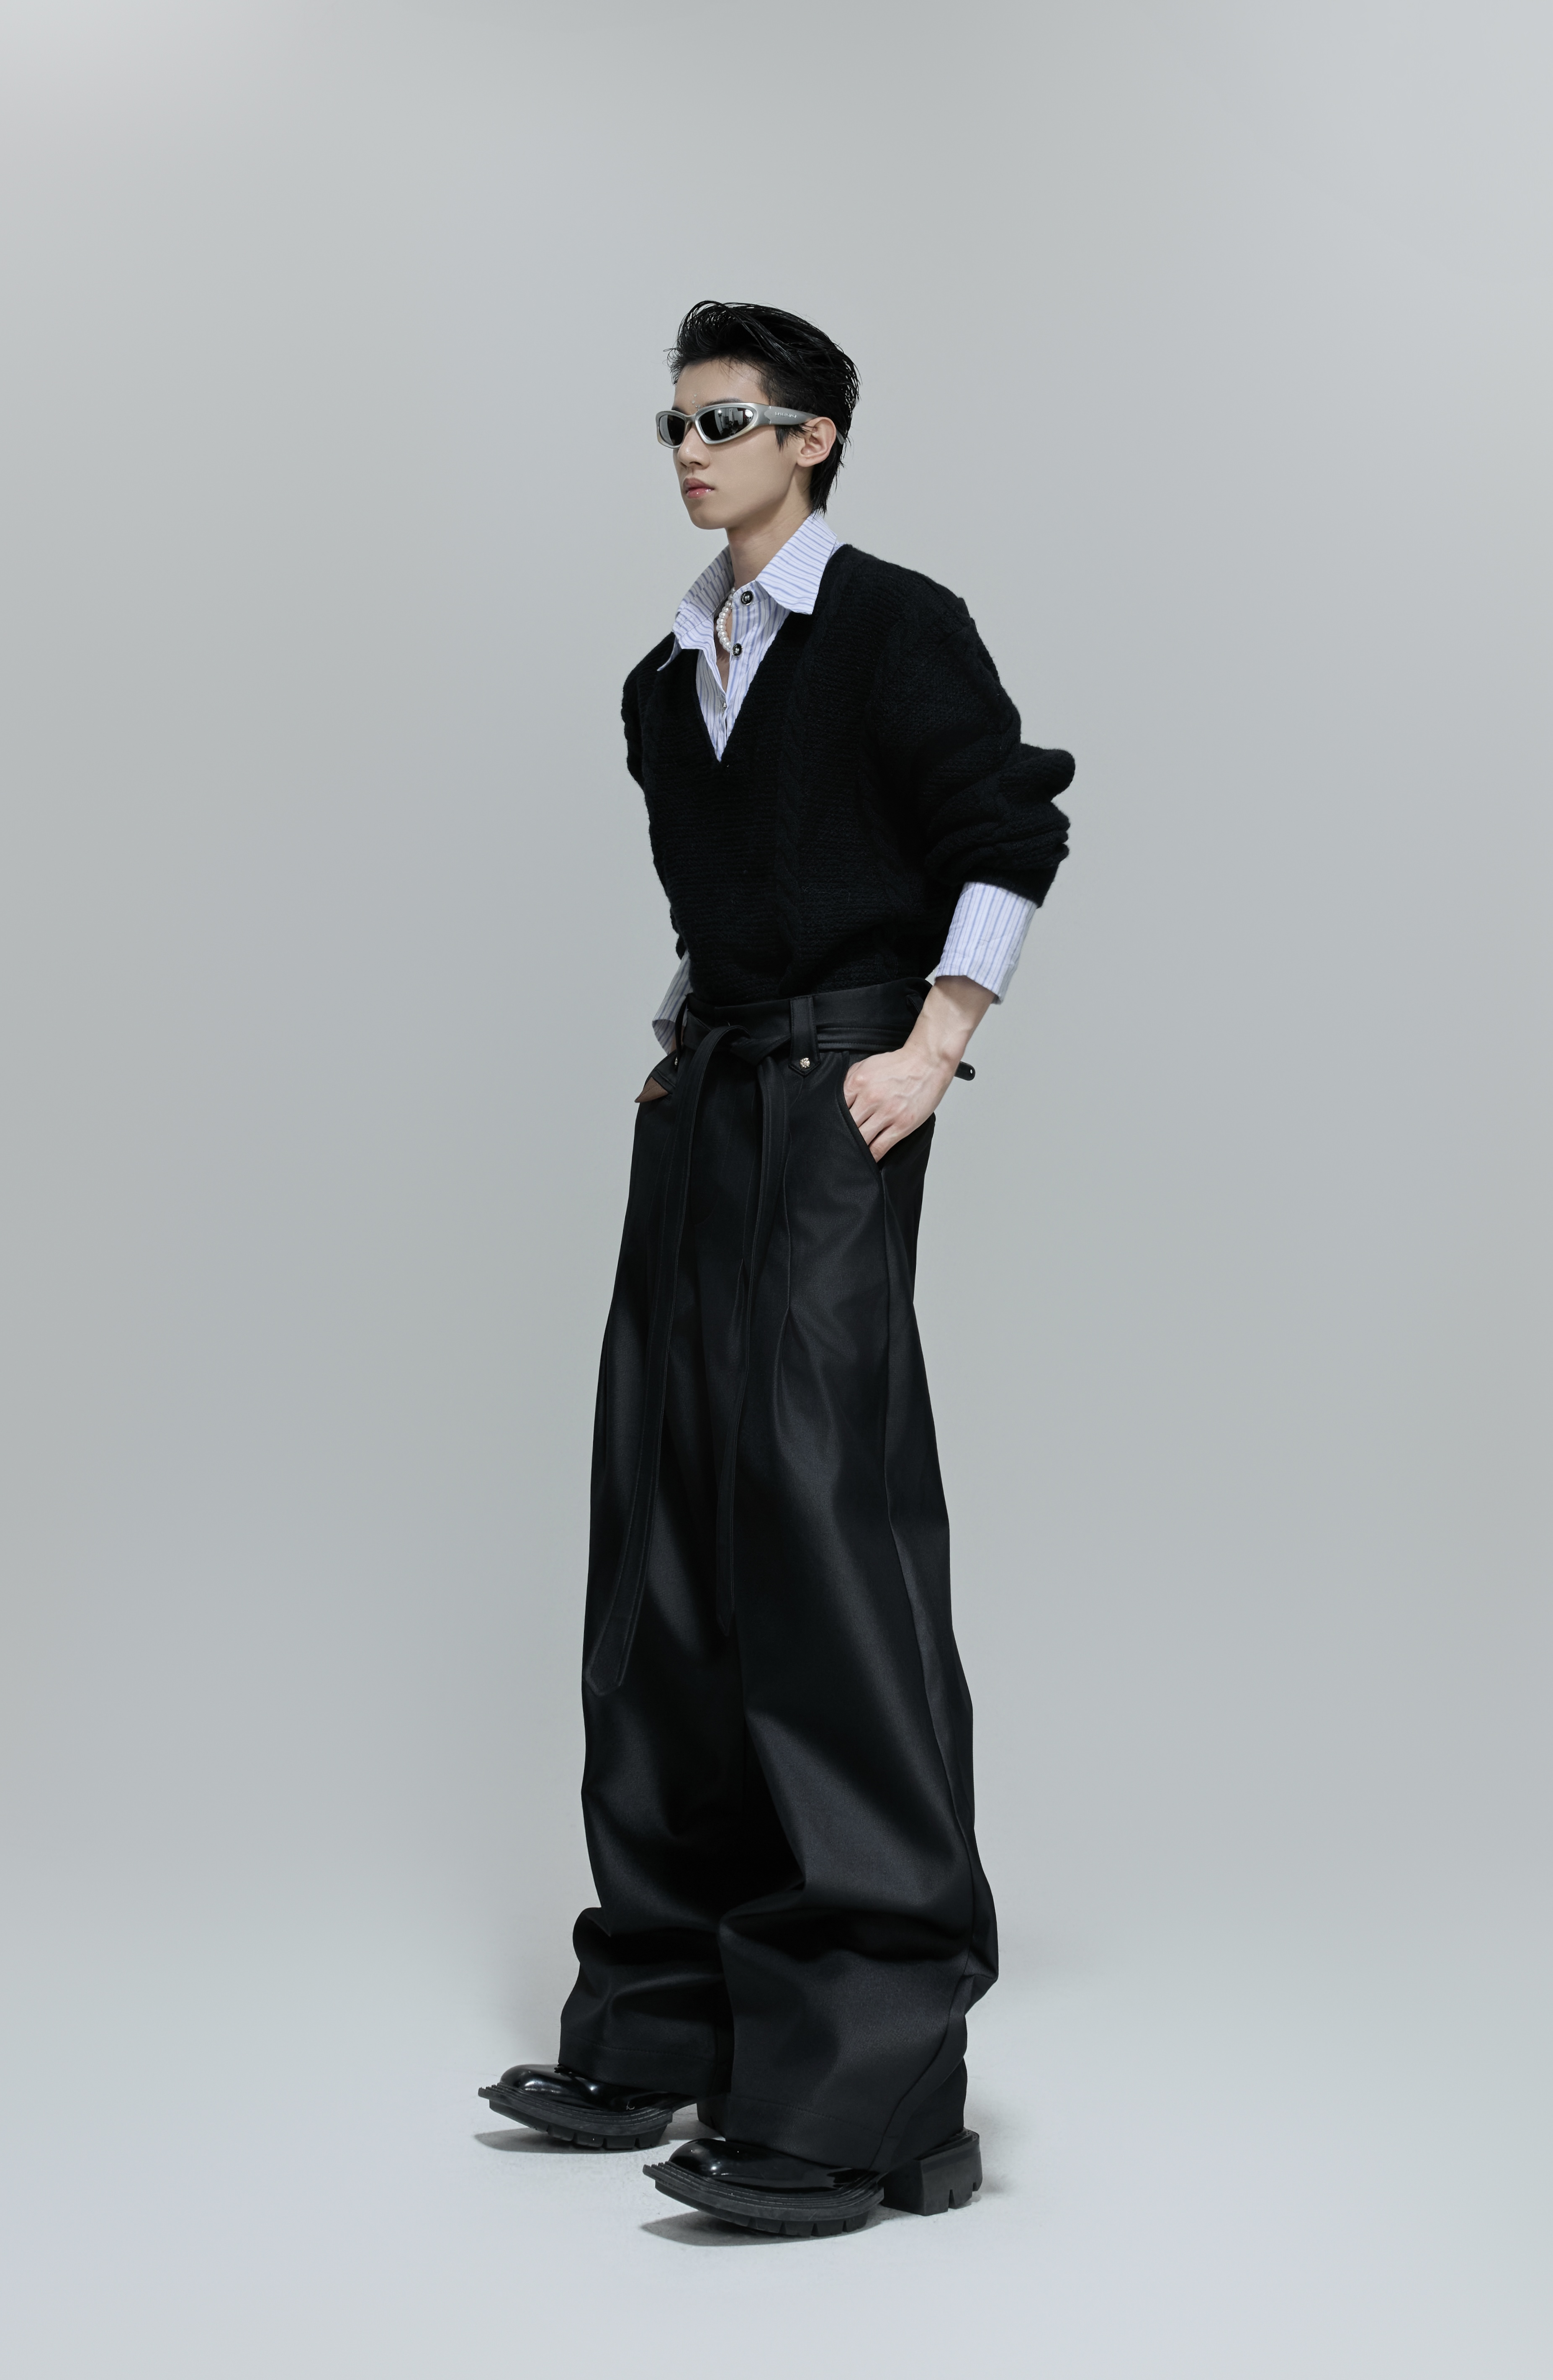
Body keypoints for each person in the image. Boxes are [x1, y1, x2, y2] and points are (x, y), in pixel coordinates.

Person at [481, 300, 1073, 2238]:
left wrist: (934, 1043)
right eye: (671, 421)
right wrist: (680, 1040)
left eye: (723, 418)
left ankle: (869, 2077)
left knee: (818, 1527)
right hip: (712, 1093)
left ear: (810, 437)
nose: (688, 448)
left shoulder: (892, 624)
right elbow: (724, 896)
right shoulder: (668, 678)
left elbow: (1004, 826)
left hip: (841, 1089)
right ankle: (668, 2012)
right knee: (663, 1529)